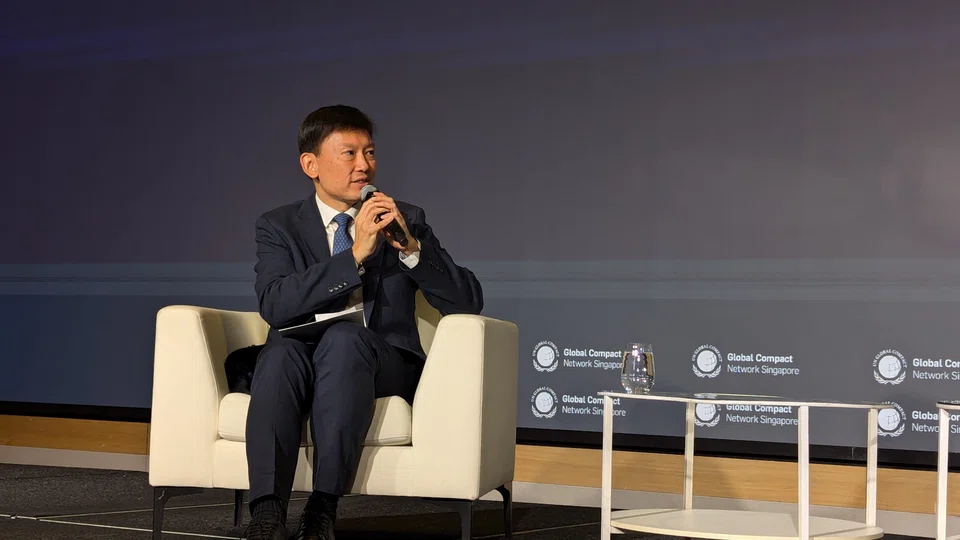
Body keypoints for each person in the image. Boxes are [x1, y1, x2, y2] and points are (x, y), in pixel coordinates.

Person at [242, 105, 484, 540]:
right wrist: (352, 257)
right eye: (349, 154)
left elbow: (466, 302)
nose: (363, 165)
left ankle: (321, 509)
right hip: (300, 355)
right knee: (277, 355)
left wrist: (410, 248)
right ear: (310, 165)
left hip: (380, 360)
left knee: (345, 340)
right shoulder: (278, 226)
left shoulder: (405, 216)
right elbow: (275, 304)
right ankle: (266, 514)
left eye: (369, 153)